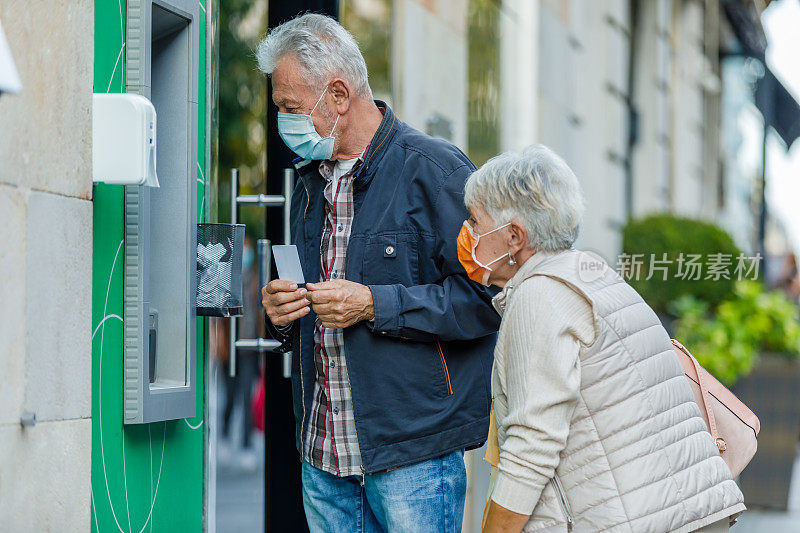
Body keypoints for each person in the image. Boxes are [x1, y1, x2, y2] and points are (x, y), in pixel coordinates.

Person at [256, 14, 500, 533]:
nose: (283, 122)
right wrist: (280, 315)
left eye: (289, 108)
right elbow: (306, 308)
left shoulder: (436, 171)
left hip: (412, 458)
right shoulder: (309, 182)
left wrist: (373, 304)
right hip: (324, 457)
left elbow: (487, 301)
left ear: (339, 95)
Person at [460, 146, 745, 533]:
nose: (467, 233)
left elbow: (532, 444)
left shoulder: (540, 294)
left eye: (475, 221)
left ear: (514, 236)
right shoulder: (591, 274)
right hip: (686, 513)